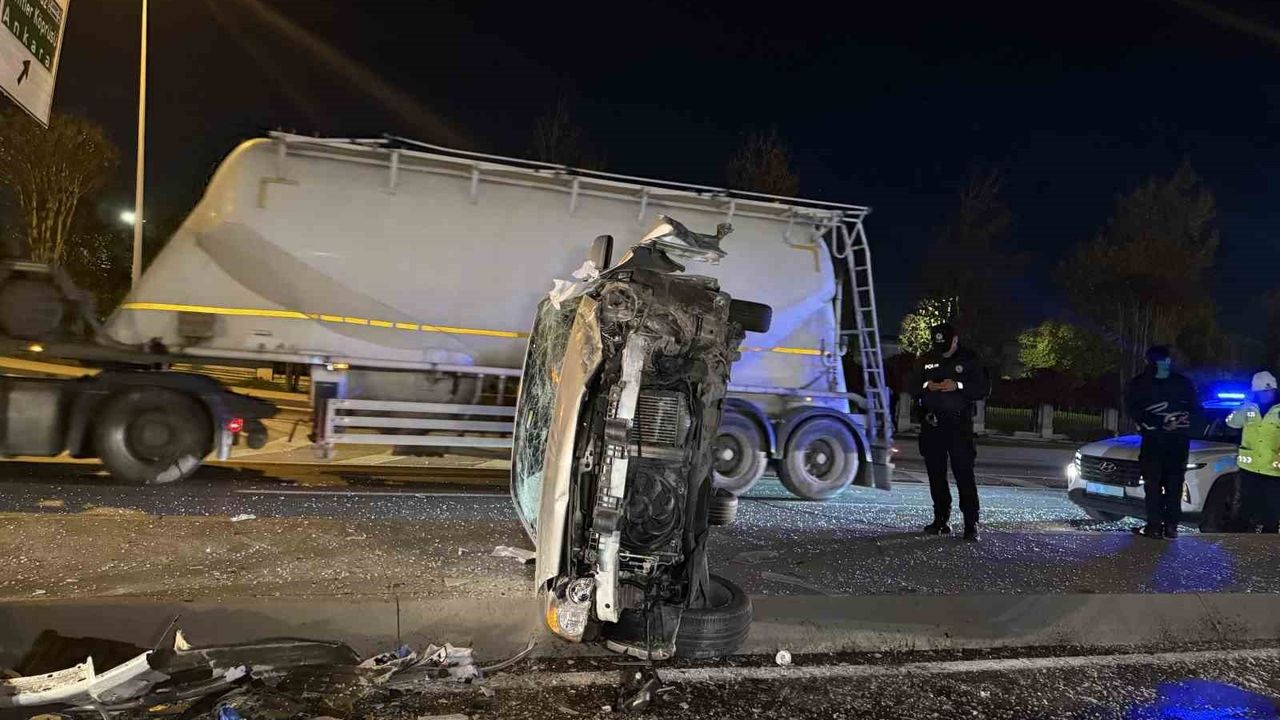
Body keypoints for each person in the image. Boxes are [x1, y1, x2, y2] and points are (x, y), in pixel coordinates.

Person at [915, 323, 989, 541]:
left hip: (958, 426)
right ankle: (940, 520)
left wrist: (958, 386)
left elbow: (983, 389)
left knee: (963, 474)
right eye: (938, 345)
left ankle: (970, 524)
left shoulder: (970, 359)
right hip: (932, 424)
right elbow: (911, 384)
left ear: (955, 340)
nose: (942, 350)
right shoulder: (927, 357)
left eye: (946, 345)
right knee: (936, 475)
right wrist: (928, 385)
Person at [1124, 346, 1199, 539]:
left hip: (1155, 441)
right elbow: (1195, 409)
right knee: (1173, 483)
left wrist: (1154, 423)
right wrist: (1180, 421)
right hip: (1177, 442)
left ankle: (1155, 526)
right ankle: (1171, 526)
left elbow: (1133, 408)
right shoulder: (1182, 382)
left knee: (1154, 484)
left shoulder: (1140, 383)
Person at [1227, 371, 1280, 533]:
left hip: (1273, 468)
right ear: (1255, 392)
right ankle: (1241, 537)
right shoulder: (1248, 409)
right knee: (1246, 505)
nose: (1267, 394)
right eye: (1263, 392)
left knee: (1272, 508)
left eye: (1270, 391)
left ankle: (1268, 537)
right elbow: (1231, 423)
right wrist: (1243, 407)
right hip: (1250, 468)